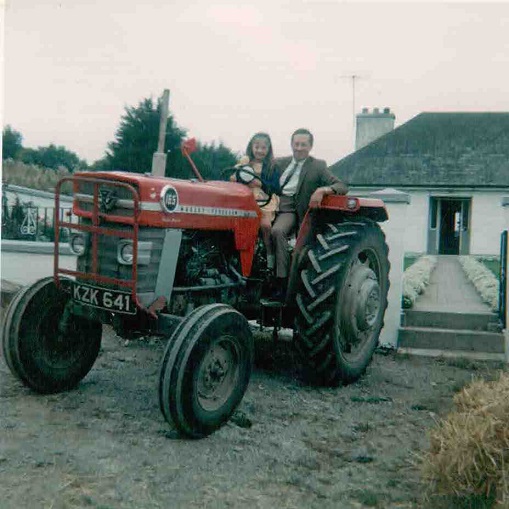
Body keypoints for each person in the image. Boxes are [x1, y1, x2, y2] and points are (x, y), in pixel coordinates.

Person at [269, 128, 348, 300]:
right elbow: (260, 176)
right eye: (296, 144)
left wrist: (323, 189)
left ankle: (280, 282)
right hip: (271, 204)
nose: (299, 148)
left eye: (303, 144)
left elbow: (341, 186)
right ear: (291, 144)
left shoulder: (317, 166)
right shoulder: (279, 163)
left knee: (278, 231)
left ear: (310, 146)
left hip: (290, 208)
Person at [233, 132, 280, 272]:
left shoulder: (272, 166)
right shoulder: (246, 163)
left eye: (263, 148)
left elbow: (275, 187)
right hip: (246, 198)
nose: (260, 150)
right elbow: (234, 177)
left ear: (268, 149)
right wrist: (239, 172)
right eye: (257, 147)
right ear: (251, 147)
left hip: (264, 199)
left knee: (265, 225)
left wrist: (259, 183)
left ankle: (270, 256)